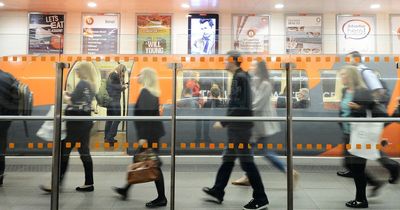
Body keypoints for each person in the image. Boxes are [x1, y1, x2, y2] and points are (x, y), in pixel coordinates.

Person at [202, 51, 269, 210]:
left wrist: (223, 122)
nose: (224, 62)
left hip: (240, 128)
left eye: (226, 60)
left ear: (233, 61)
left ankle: (261, 197)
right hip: (238, 127)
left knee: (247, 162)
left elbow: (240, 105)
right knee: (229, 158)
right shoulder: (241, 77)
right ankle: (218, 190)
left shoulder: (240, 78)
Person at [232, 61, 299, 186]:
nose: (251, 67)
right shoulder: (254, 81)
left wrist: (241, 109)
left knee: (262, 151)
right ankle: (248, 176)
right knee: (250, 151)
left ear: (260, 68)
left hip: (261, 125)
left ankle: (288, 171)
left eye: (254, 66)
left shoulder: (266, 84)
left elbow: (257, 105)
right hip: (255, 124)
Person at [337, 51, 399, 184]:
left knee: (369, 151)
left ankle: (389, 170)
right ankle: (367, 175)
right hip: (356, 125)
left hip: (366, 122)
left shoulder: (365, 72)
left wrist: (364, 104)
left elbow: (379, 92)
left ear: (357, 59)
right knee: (368, 150)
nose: (348, 61)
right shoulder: (349, 86)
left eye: (350, 59)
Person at [113, 68, 167, 208]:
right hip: (152, 134)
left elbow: (146, 118)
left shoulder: (146, 93)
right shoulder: (150, 92)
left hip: (149, 135)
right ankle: (126, 189)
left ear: (146, 77)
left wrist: (143, 137)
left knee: (153, 164)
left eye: (141, 74)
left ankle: (162, 198)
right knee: (142, 160)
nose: (138, 76)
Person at [40, 61, 97, 192]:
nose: (76, 71)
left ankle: (56, 183)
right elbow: (81, 100)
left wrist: (64, 95)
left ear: (83, 71)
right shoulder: (91, 85)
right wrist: (70, 96)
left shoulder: (82, 83)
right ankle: (89, 183)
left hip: (76, 124)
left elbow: (72, 101)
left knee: (64, 152)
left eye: (78, 69)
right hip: (85, 122)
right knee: (84, 153)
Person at [338, 65, 383, 208]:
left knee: (357, 168)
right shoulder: (345, 91)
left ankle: (361, 199)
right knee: (350, 165)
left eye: (344, 75)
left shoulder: (363, 91)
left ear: (351, 76)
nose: (342, 78)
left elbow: (375, 111)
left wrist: (359, 108)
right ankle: (372, 186)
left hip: (359, 134)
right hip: (348, 133)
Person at [0, 69, 19, 186]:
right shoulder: (9, 76)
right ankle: (0, 174)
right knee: (1, 146)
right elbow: (16, 98)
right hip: (5, 118)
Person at [104, 64, 127, 146]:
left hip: (110, 101)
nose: (123, 74)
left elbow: (112, 87)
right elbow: (118, 88)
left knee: (109, 119)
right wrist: (124, 86)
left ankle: (107, 137)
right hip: (115, 102)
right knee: (117, 119)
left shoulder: (110, 75)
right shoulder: (115, 75)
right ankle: (109, 137)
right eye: (123, 72)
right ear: (121, 70)